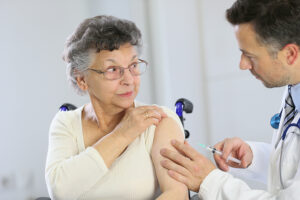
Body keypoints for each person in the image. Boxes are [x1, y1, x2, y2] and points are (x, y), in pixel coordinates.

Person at [160, 0, 300, 199]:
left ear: (290, 54)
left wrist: (210, 181)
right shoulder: (294, 89)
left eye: (249, 55)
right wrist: (254, 156)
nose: (242, 65)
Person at [45, 15, 188, 200]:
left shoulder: (160, 121)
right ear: (82, 80)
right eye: (113, 69)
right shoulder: (66, 123)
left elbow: (177, 193)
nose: (129, 80)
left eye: (134, 65)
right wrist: (123, 133)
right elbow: (60, 191)